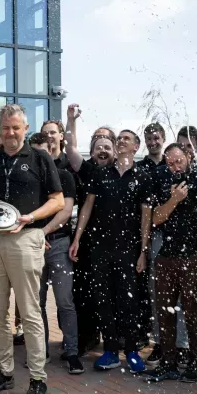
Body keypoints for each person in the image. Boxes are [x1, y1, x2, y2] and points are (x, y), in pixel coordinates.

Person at [0, 104, 64, 394]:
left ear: (25, 128)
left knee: (29, 312)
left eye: (15, 127)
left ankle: (38, 379)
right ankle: (4, 372)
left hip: (26, 238)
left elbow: (57, 201)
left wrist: (29, 217)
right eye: (5, 128)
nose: (10, 133)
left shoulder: (40, 158)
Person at [70, 129, 153, 373]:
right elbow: (87, 206)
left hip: (129, 249)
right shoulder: (101, 173)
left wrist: (143, 251)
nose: (121, 141)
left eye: (127, 138)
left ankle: (132, 351)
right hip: (100, 248)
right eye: (120, 138)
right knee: (103, 299)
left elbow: (146, 216)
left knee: (128, 300)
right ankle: (110, 351)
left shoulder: (143, 176)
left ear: (136, 146)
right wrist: (77, 238)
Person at [146, 143, 197, 383]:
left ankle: (196, 361)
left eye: (179, 161)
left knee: (193, 311)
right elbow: (156, 218)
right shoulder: (163, 182)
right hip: (166, 256)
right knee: (164, 311)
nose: (175, 167)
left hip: (191, 257)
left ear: (188, 157)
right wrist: (174, 200)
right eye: (170, 163)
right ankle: (168, 363)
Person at [63, 104, 117, 356]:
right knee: (85, 292)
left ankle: (115, 339)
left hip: (116, 244)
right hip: (88, 242)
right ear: (92, 152)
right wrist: (71, 120)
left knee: (114, 293)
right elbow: (70, 148)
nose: (102, 151)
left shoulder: (123, 172)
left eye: (107, 147)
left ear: (115, 151)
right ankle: (88, 337)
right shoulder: (87, 170)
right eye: (98, 147)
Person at [28, 133, 82, 373]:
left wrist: (43, 232)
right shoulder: (26, 179)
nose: (38, 159)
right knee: (35, 303)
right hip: (33, 245)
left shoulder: (64, 176)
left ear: (51, 152)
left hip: (58, 243)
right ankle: (41, 352)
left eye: (42, 153)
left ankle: (72, 352)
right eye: (33, 154)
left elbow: (66, 210)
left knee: (64, 301)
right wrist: (36, 236)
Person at [139, 122, 185, 364]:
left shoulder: (191, 172)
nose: (153, 142)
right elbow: (149, 214)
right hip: (159, 238)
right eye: (149, 138)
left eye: (156, 137)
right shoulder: (153, 173)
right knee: (158, 293)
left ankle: (182, 345)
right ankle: (160, 342)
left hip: (186, 241)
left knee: (184, 296)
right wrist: (145, 246)